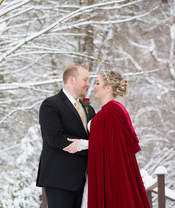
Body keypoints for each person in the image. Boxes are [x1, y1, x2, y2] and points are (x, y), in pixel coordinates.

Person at [66, 69, 150, 208]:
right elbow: (111, 143)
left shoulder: (111, 112)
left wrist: (82, 144)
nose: (94, 86)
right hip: (112, 170)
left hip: (111, 173)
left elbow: (112, 146)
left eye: (98, 83)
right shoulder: (114, 110)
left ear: (108, 87)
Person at [36, 64, 96, 208]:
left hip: (80, 178)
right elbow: (55, 138)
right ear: (72, 80)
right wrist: (86, 145)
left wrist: (87, 145)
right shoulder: (51, 104)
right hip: (59, 178)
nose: (88, 84)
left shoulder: (88, 107)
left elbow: (94, 139)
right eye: (85, 80)